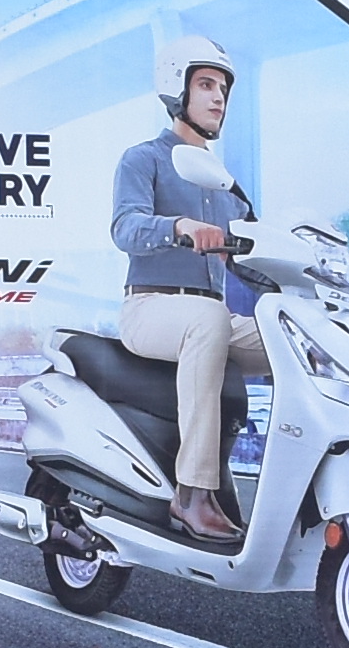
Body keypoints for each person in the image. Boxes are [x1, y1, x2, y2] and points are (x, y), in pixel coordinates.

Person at [109, 37, 269, 546]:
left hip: (209, 316)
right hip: (150, 308)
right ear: (176, 89)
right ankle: (193, 494)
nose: (218, 98)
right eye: (205, 85)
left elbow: (256, 249)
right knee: (210, 320)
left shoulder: (225, 185)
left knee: (296, 342)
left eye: (222, 88)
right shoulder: (143, 159)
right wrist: (178, 225)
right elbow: (125, 228)